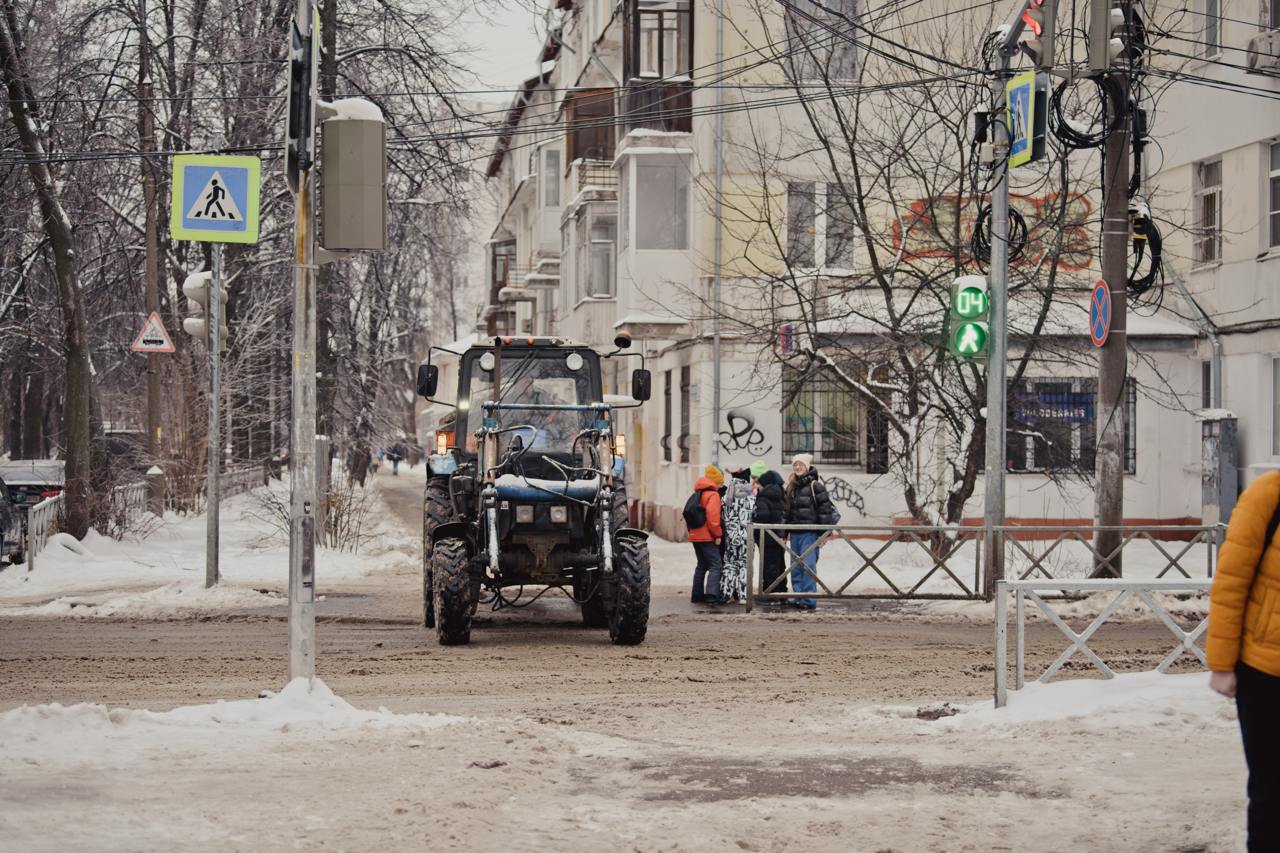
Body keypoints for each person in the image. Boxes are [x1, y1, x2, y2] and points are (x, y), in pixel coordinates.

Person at [1208, 470, 1280, 852]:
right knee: (1271, 789)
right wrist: (1222, 663)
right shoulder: (1269, 494)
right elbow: (1231, 580)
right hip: (1267, 674)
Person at [784, 453, 837, 610]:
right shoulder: (792, 487)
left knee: (808, 566)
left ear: (807, 467)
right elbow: (786, 512)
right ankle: (799, 596)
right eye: (795, 465)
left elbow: (825, 511)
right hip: (795, 533)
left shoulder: (816, 486)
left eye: (800, 465)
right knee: (795, 567)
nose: (798, 467)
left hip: (810, 533)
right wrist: (784, 533)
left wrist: (825, 533)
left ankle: (809, 599)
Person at [688, 466, 727, 605]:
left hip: (695, 535)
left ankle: (697, 595)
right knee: (716, 565)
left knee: (701, 565)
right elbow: (713, 518)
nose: (722, 485)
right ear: (715, 482)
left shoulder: (697, 493)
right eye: (721, 483)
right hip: (707, 536)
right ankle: (712, 594)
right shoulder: (713, 495)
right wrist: (718, 534)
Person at [750, 460, 788, 602]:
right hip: (778, 535)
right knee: (779, 565)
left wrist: (753, 515)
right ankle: (782, 593)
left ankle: (770, 595)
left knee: (769, 566)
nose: (757, 485)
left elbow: (762, 516)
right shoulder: (780, 494)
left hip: (766, 536)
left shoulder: (764, 497)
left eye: (759, 483)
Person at [720, 467, 755, 602]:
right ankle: (743, 595)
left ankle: (726, 593)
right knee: (744, 564)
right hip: (747, 536)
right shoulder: (749, 495)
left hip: (731, 535)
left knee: (729, 564)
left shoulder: (727, 494)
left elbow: (723, 514)